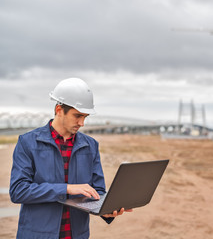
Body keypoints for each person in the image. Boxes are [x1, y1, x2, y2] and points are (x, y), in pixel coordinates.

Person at [9, 78, 131, 239]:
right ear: (59, 110)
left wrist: (106, 211)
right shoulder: (28, 143)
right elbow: (18, 191)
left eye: (85, 117)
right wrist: (66, 188)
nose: (82, 123)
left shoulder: (91, 145)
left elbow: (98, 192)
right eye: (77, 116)